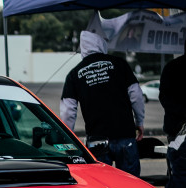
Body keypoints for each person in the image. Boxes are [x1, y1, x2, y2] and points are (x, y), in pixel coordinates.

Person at [59, 30, 144, 176]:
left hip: (96, 140)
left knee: (102, 185)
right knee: (132, 184)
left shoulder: (74, 74)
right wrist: (139, 121)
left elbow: (68, 111)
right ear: (101, 44)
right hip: (124, 134)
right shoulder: (119, 64)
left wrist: (69, 138)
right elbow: (136, 94)